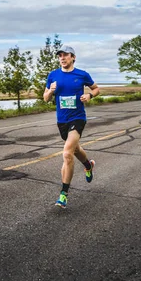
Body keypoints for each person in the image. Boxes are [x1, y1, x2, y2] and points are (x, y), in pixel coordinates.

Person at [44, 45, 100, 209]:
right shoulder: (53, 75)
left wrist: (89, 95)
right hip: (62, 120)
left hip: (78, 118)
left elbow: (96, 89)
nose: (62, 57)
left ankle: (63, 194)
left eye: (66, 55)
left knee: (67, 153)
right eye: (60, 55)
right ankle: (88, 165)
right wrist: (50, 91)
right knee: (75, 149)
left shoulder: (82, 74)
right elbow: (46, 98)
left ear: (73, 57)